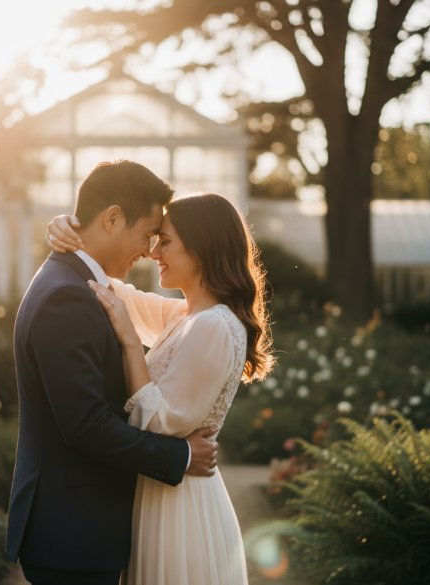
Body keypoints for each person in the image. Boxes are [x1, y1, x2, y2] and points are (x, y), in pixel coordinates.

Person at [5, 160, 220, 585]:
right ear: (113, 218)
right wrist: (182, 455)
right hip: (74, 534)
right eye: (147, 235)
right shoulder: (68, 297)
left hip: (78, 532)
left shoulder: (79, 284)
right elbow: (85, 425)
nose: (149, 250)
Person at [46, 191, 274, 585]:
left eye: (165, 241)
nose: (153, 252)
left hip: (180, 504)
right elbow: (119, 295)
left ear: (202, 249)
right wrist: (72, 233)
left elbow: (160, 423)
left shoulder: (214, 326)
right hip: (163, 491)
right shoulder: (186, 316)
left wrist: (132, 343)